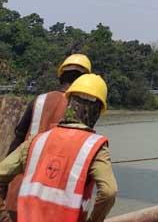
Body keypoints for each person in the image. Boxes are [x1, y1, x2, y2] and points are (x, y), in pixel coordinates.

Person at [0, 73, 117, 222]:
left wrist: (4, 218)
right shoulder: (96, 148)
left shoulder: (36, 141)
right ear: (99, 111)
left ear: (68, 102)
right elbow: (109, 192)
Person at [3, 54, 93, 219]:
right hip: (51, 202)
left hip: (18, 191)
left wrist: (4, 188)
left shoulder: (38, 100)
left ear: (61, 76)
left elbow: (17, 140)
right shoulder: (82, 110)